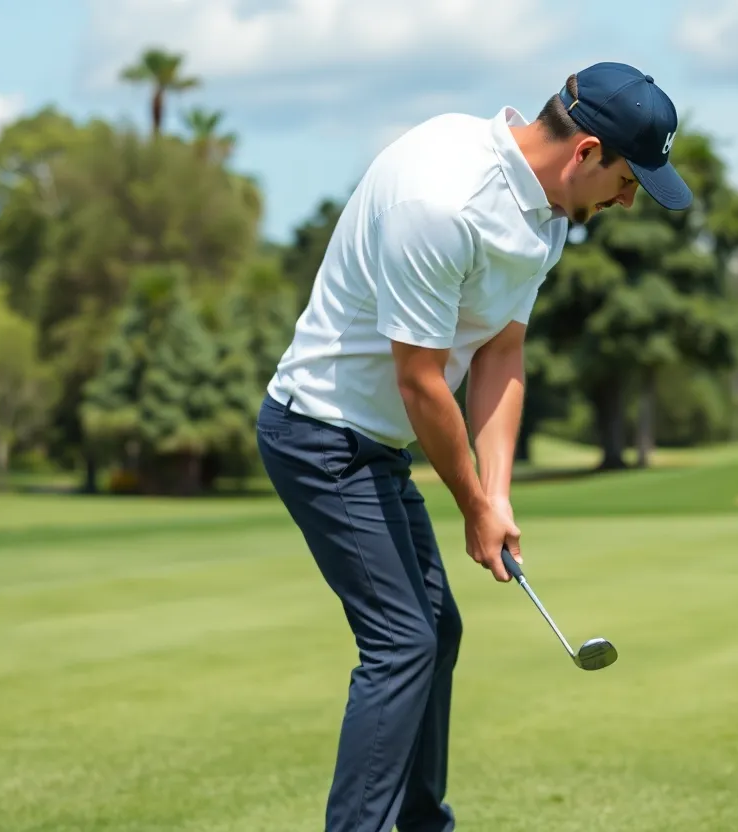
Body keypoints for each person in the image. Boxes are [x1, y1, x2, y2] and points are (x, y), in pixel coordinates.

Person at [255, 60, 692, 832]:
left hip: (375, 442)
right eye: (628, 179)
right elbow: (423, 380)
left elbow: (500, 353)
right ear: (585, 151)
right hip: (318, 432)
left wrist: (498, 495)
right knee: (401, 643)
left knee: (435, 631)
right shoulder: (443, 197)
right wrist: (471, 507)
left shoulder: (547, 216)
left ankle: (425, 824)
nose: (629, 200)